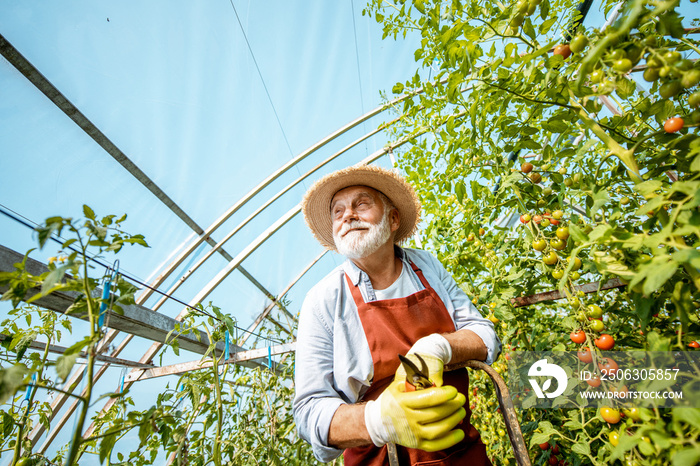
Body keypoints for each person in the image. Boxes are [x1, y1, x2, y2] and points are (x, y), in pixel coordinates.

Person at [293, 164, 501, 465]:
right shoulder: (323, 299)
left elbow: (484, 335)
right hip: (378, 459)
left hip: (459, 452)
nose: (348, 215)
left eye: (361, 204)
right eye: (337, 212)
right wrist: (379, 420)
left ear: (393, 219)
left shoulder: (426, 267)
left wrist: (439, 347)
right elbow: (309, 411)